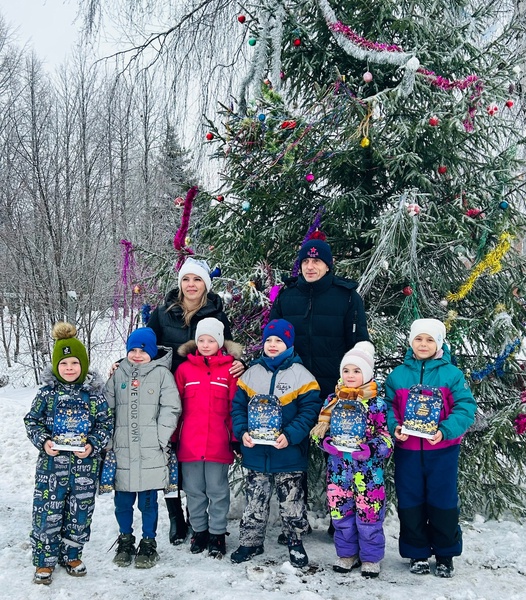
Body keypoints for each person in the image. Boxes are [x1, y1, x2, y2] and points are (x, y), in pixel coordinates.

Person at [269, 237, 372, 537]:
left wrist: (355, 386)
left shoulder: (347, 297)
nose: (310, 266)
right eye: (306, 261)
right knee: (293, 454)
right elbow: (273, 342)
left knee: (339, 457)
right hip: (295, 391)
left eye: (317, 261)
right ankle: (295, 518)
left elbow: (360, 345)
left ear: (328, 265)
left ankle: (339, 521)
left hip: (335, 392)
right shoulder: (287, 297)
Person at [147, 256, 245, 544]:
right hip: (169, 390)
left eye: (197, 279)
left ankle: (201, 522)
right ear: (180, 283)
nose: (191, 285)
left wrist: (241, 365)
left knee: (197, 468)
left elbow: (228, 350)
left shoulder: (216, 313)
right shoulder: (163, 311)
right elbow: (145, 346)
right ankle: (177, 517)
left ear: (206, 284)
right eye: (186, 279)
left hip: (204, 393)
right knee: (172, 459)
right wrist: (122, 362)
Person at [384, 318, 477, 578]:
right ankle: (417, 552)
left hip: (442, 451)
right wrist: (395, 428)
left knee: (443, 502)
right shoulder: (398, 375)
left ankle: (446, 554)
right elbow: (389, 407)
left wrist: (444, 431)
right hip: (409, 451)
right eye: (418, 339)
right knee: (411, 501)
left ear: (439, 343)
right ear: (411, 341)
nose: (423, 344)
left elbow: (465, 407)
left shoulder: (452, 374)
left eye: (429, 339)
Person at [24, 322, 113, 585]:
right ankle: (44, 561)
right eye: (64, 364)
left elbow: (105, 424)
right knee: (47, 514)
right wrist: (44, 442)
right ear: (56, 367)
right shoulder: (46, 395)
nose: (70, 368)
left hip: (84, 468)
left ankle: (72, 554)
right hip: (51, 469)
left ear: (83, 364)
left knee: (80, 513)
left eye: (74, 363)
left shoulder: (94, 396)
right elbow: (32, 421)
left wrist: (93, 445)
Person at [230, 319, 322, 568]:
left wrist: (290, 435)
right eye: (269, 340)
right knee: (255, 500)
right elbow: (238, 407)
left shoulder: (302, 376)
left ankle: (295, 541)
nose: (272, 345)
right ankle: (250, 541)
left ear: (289, 344)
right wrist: (242, 432)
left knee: (292, 502)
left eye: (279, 340)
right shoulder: (251, 374)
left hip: (288, 453)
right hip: (256, 453)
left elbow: (309, 411)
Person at [310, 346, 393, 578]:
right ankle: (347, 554)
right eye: (346, 370)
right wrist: (324, 442)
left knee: (369, 516)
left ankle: (370, 557)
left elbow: (387, 437)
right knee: (341, 514)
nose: (350, 375)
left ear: (366, 374)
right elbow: (318, 431)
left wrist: (371, 449)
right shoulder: (332, 401)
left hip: (368, 474)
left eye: (357, 370)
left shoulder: (376, 405)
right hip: (338, 472)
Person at [105, 327, 181, 569]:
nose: (137, 355)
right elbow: (107, 408)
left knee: (148, 503)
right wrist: (109, 440)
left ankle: (149, 542)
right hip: (123, 451)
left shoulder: (162, 375)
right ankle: (125, 540)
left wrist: (160, 438)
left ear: (151, 351)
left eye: (142, 350)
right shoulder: (118, 375)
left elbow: (171, 408)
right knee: (123, 503)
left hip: (151, 452)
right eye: (133, 350)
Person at [174, 317, 243, 558]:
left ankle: (217, 534)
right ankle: (199, 532)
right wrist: (173, 439)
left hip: (218, 443)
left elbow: (236, 407)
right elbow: (175, 408)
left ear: (220, 342)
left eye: (211, 340)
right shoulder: (184, 370)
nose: (205, 344)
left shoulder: (230, 370)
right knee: (194, 490)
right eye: (201, 339)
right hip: (190, 444)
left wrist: (235, 438)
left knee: (218, 491)